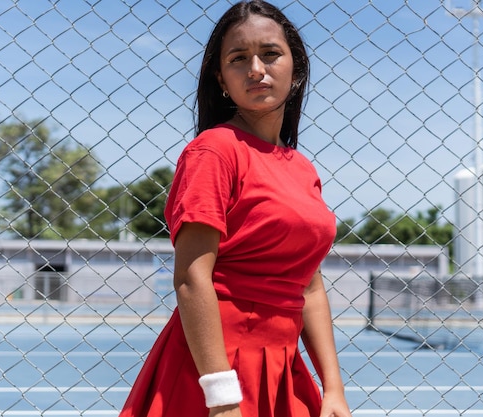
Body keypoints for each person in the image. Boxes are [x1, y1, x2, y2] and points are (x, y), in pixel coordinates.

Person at [119, 1, 353, 416]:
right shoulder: (214, 151)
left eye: (270, 54)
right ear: (221, 79)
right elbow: (192, 278)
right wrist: (221, 394)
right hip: (215, 370)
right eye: (238, 59)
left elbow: (309, 285)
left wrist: (333, 388)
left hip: (283, 368)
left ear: (296, 69)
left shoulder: (302, 169)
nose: (256, 70)